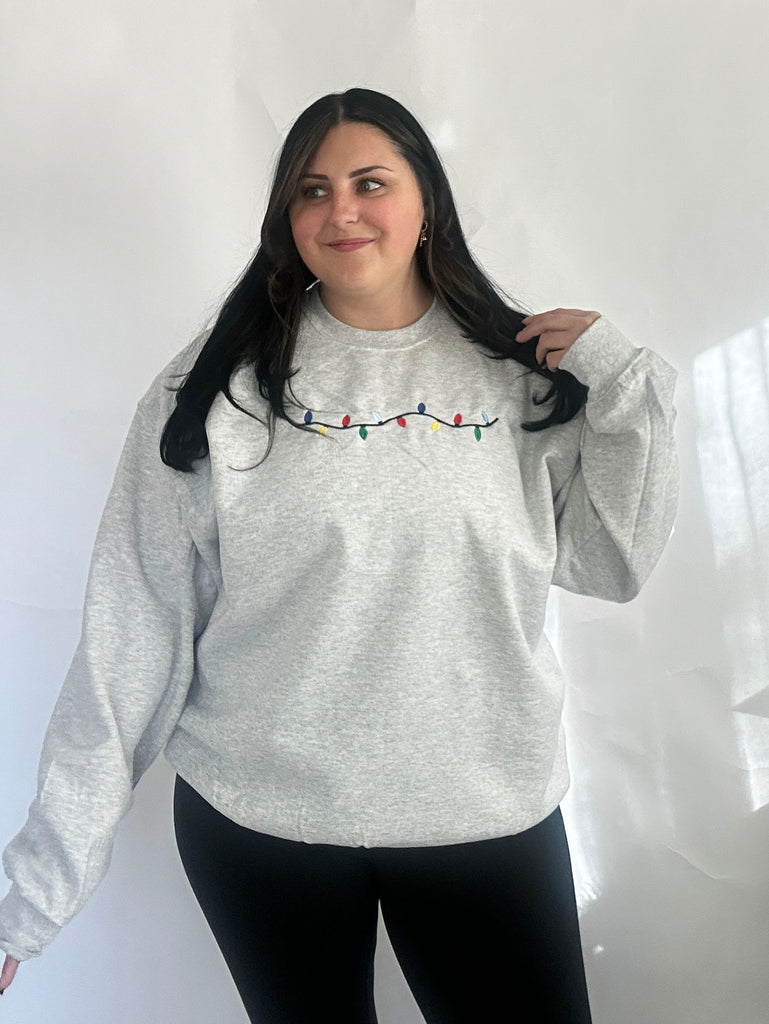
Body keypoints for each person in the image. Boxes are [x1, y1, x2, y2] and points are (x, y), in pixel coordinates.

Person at [0, 88, 678, 1022]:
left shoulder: (522, 378)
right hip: (261, 827)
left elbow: (612, 564)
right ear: (286, 218)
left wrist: (629, 394)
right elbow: (133, 636)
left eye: (370, 183)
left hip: (485, 813)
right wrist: (32, 898)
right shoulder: (215, 389)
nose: (341, 212)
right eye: (311, 191)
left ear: (426, 200)